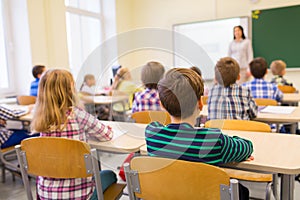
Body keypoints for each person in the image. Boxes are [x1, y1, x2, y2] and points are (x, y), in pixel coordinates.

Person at [146, 68, 253, 199]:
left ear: (162, 105)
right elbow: (247, 147)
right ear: (200, 104)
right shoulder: (213, 140)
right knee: (242, 191)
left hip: (169, 194)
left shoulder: (152, 133)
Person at [31, 69, 117, 200]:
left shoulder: (40, 119)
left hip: (45, 194)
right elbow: (107, 134)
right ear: (69, 90)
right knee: (110, 175)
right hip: (80, 195)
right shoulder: (77, 115)